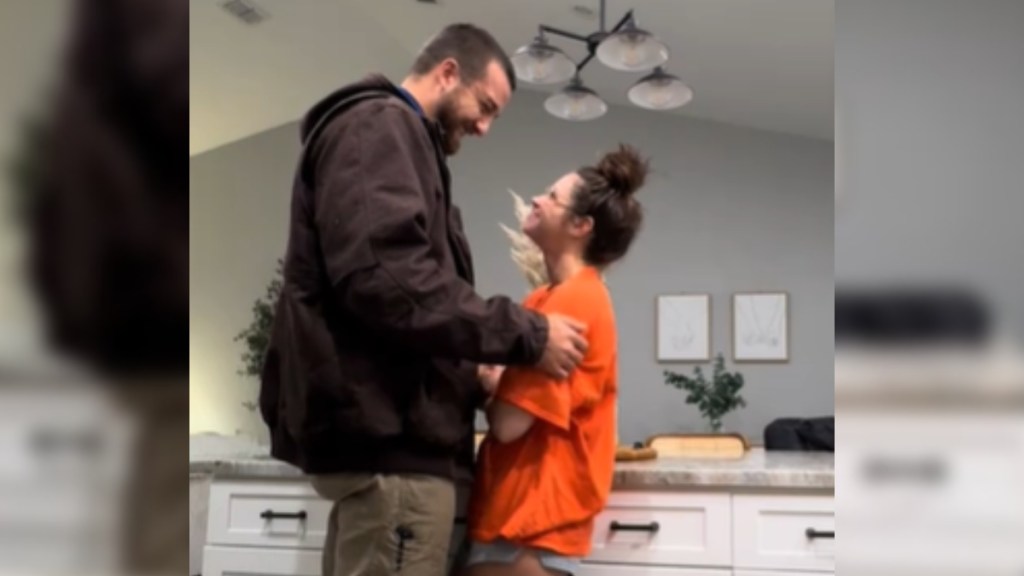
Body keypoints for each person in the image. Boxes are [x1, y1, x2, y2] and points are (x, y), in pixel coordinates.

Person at [259, 23, 590, 576]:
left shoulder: (393, 139)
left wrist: (470, 374)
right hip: (394, 460)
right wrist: (528, 336)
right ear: (448, 72)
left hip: (385, 457)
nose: (484, 127)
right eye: (485, 106)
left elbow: (400, 291)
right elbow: (389, 279)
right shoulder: (381, 127)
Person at [464, 144, 649, 576]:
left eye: (552, 197)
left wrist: (491, 384)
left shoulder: (575, 300)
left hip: (531, 522)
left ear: (581, 225)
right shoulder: (545, 297)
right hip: (518, 519)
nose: (536, 200)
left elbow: (509, 425)